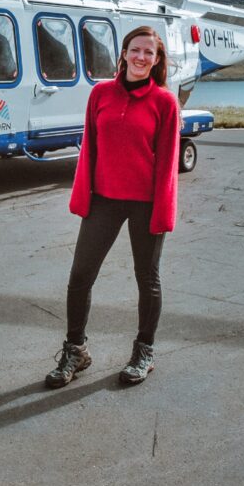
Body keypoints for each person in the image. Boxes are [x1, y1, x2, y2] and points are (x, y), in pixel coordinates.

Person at [45, 25, 180, 388]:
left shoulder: (164, 102)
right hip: (104, 199)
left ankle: (144, 351)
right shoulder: (100, 94)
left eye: (149, 53)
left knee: (147, 279)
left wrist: (163, 211)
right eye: (135, 50)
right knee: (80, 277)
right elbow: (89, 148)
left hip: (145, 203)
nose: (141, 57)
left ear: (157, 60)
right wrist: (83, 197)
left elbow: (167, 163)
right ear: (123, 54)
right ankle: (76, 350)